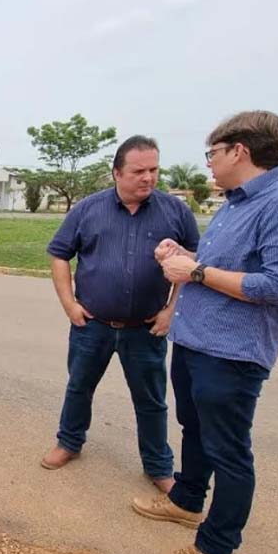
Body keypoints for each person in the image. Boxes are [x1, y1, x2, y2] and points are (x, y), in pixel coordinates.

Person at [132, 111, 278, 554]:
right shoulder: (237, 203)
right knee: (193, 428)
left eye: (212, 154)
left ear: (239, 150)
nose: (208, 165)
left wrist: (195, 273)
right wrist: (185, 258)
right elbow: (223, 268)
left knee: (228, 450)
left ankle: (216, 548)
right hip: (197, 342)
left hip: (233, 353)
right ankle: (186, 500)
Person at [41, 135, 200, 493]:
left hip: (145, 329)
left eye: (154, 169)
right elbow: (59, 254)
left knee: (151, 400)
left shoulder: (175, 212)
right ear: (116, 173)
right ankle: (69, 443)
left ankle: (158, 466)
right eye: (138, 171)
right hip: (92, 325)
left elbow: (193, 262)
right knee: (79, 387)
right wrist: (69, 304)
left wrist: (171, 310)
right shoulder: (87, 210)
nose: (148, 178)